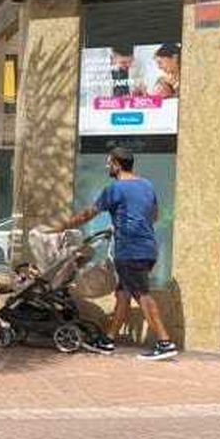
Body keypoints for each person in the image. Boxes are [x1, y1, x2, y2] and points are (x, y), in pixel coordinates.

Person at [51, 145, 178, 360]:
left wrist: (63, 226)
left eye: (109, 162)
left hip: (130, 251)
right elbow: (153, 215)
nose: (107, 165)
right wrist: (125, 223)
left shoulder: (114, 189)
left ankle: (164, 342)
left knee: (142, 295)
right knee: (122, 295)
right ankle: (108, 340)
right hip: (148, 248)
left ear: (117, 164)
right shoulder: (146, 185)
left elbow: (88, 214)